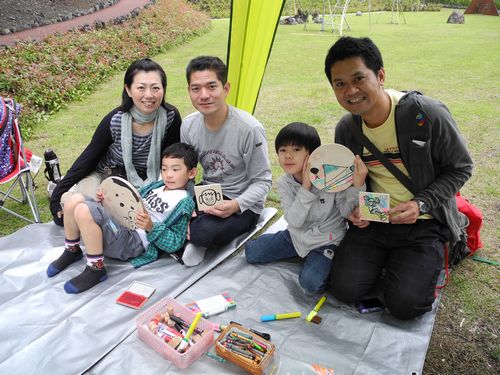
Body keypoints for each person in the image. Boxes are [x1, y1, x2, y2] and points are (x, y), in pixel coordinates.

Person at [324, 36, 473, 319]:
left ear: (380, 75)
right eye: (339, 84)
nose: (350, 91)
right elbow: (347, 182)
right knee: (344, 289)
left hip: (423, 222)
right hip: (375, 218)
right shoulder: (347, 129)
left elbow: (462, 167)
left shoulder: (425, 114)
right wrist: (353, 208)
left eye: (359, 78)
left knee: (407, 306)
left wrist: (421, 204)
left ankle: (424, 258)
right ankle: (395, 266)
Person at [46, 143, 198, 294]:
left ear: (191, 173)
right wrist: (106, 199)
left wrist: (151, 227)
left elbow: (175, 243)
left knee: (83, 210)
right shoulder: (156, 186)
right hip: (120, 224)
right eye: (164, 169)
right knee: (73, 199)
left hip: (133, 240)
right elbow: (130, 199)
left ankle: (96, 268)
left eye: (175, 169)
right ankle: (72, 250)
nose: (168, 174)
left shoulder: (184, 203)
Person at [50, 58, 182, 226]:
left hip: (144, 180)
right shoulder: (115, 121)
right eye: (141, 88)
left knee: (139, 221)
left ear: (163, 89)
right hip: (102, 176)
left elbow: (176, 159)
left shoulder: (170, 117)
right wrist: (56, 196)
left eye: (155, 88)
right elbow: (87, 159)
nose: (149, 95)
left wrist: (184, 193)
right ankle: (68, 194)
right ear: (128, 89)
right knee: (87, 216)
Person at [245, 122, 367, 294]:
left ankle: (326, 261)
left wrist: (357, 185)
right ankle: (301, 253)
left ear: (312, 155)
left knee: (310, 283)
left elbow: (347, 211)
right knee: (251, 252)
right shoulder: (284, 183)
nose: (288, 156)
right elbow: (294, 221)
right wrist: (306, 188)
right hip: (295, 237)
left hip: (326, 241)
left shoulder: (330, 179)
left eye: (296, 150)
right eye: (282, 150)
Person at [180, 56, 272, 266]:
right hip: (208, 193)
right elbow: (187, 172)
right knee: (163, 209)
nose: (204, 95)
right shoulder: (188, 125)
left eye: (211, 86)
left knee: (204, 231)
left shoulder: (249, 129)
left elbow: (263, 181)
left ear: (226, 88)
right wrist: (185, 205)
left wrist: (235, 205)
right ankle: (191, 232)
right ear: (189, 91)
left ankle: (194, 237)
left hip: (242, 202)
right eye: (196, 88)